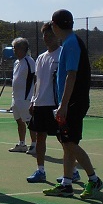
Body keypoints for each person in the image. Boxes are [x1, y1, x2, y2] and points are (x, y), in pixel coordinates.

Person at [43, 9, 103, 199]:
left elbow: (72, 74)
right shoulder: (70, 43)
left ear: (55, 25)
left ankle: (94, 179)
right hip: (70, 102)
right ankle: (66, 184)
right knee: (66, 143)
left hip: (74, 102)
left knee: (69, 142)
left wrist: (64, 104)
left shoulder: (71, 44)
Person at [25, 22, 82, 183]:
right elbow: (38, 82)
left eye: (50, 35)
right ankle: (40, 171)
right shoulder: (41, 58)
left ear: (56, 35)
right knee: (40, 137)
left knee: (64, 140)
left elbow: (70, 78)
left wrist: (62, 105)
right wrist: (33, 101)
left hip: (55, 106)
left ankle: (74, 171)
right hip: (40, 105)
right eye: (44, 35)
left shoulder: (62, 54)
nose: (47, 38)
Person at [8, 37, 37, 154]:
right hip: (16, 98)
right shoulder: (16, 62)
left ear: (23, 48)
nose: (14, 50)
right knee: (19, 121)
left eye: (15, 48)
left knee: (30, 122)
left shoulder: (30, 61)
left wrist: (33, 98)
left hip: (27, 99)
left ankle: (34, 145)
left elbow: (36, 79)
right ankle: (22, 144)